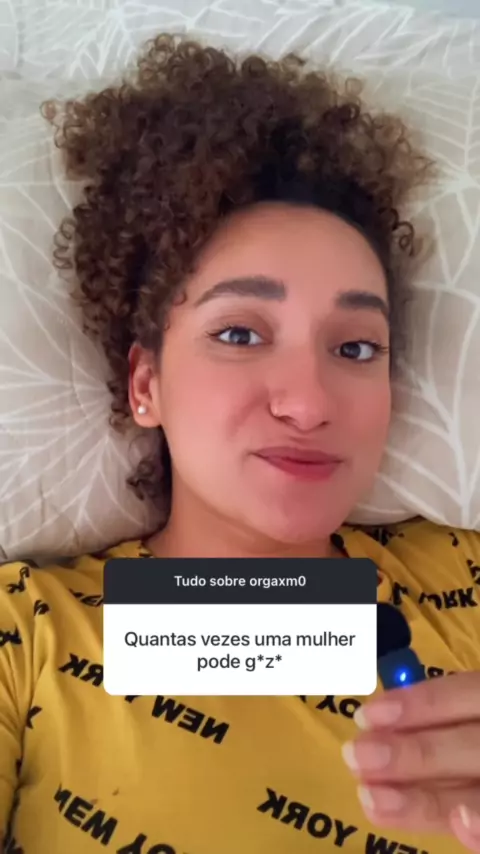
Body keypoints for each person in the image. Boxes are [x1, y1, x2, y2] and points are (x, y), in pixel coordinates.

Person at [0, 32, 479, 854]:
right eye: (239, 333)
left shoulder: (466, 583)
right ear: (145, 384)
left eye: (355, 346)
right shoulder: (29, 633)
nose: (309, 403)